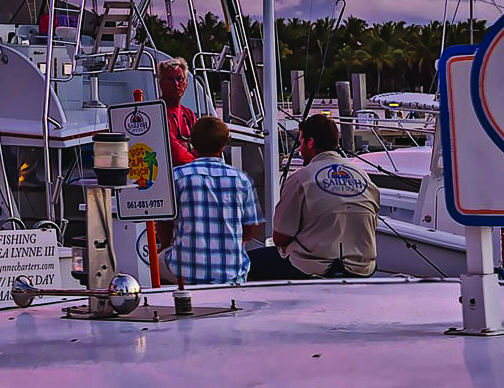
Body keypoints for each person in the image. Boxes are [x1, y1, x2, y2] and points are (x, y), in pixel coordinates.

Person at [253, 111, 377, 280]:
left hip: (313, 267)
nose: (299, 148)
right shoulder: (363, 177)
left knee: (247, 263)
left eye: (301, 142)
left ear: (310, 143)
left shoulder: (300, 178)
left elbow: (280, 237)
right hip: (362, 268)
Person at [166, 112, 261, 285]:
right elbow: (250, 227)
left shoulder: (177, 176)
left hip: (186, 274)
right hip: (231, 275)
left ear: (192, 143)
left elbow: (164, 223)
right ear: (223, 146)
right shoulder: (241, 179)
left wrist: (168, 245)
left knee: (156, 259)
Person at [155, 58, 198, 163]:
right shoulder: (157, 113)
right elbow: (175, 154)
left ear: (186, 83)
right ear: (161, 84)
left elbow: (203, 148)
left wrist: (187, 146)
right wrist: (196, 157)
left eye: (180, 79)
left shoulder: (189, 114)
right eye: (170, 79)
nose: (176, 84)